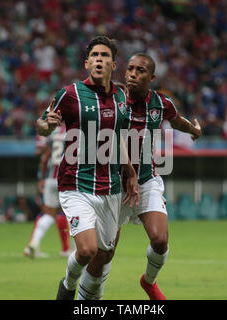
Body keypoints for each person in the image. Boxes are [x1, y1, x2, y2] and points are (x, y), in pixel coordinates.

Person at [80, 53, 202, 300]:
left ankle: (149, 282)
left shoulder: (161, 103)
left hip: (146, 181)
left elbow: (176, 120)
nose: (133, 74)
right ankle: (87, 300)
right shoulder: (114, 98)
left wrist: (194, 130)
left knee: (160, 239)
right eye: (130, 69)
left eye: (140, 70)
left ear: (151, 77)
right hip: (114, 185)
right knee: (105, 253)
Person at [36, 36, 139, 300]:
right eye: (94, 55)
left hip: (111, 188)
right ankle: (67, 286)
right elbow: (43, 125)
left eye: (104, 56)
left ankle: (85, 302)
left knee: (105, 255)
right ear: (86, 63)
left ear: (113, 64)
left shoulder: (121, 97)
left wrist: (130, 174)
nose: (99, 60)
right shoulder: (69, 94)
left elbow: (119, 140)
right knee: (86, 250)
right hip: (75, 184)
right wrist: (46, 124)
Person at [24, 126, 72, 259]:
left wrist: (41, 179)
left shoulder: (54, 132)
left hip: (51, 179)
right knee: (72, 214)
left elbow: (44, 158)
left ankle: (33, 243)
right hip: (68, 179)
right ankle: (71, 249)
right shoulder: (74, 129)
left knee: (49, 213)